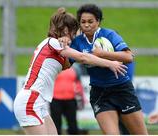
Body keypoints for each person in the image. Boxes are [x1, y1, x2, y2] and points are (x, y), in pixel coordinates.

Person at [13, 7, 127, 135]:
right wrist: (110, 63)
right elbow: (83, 57)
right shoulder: (53, 42)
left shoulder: (56, 45)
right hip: (30, 101)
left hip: (38, 102)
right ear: (67, 30)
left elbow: (70, 61)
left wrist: (67, 41)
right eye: (75, 30)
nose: (77, 34)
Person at [62, 4, 148, 134]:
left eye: (91, 21)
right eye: (83, 22)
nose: (86, 25)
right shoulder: (77, 42)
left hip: (122, 89)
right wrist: (64, 43)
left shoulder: (109, 34)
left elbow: (128, 57)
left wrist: (102, 54)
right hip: (100, 93)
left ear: (98, 21)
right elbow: (66, 66)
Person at [50, 64, 87, 134]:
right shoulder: (53, 66)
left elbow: (78, 83)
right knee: (56, 125)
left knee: (73, 125)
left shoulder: (75, 68)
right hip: (55, 100)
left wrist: (82, 98)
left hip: (71, 100)